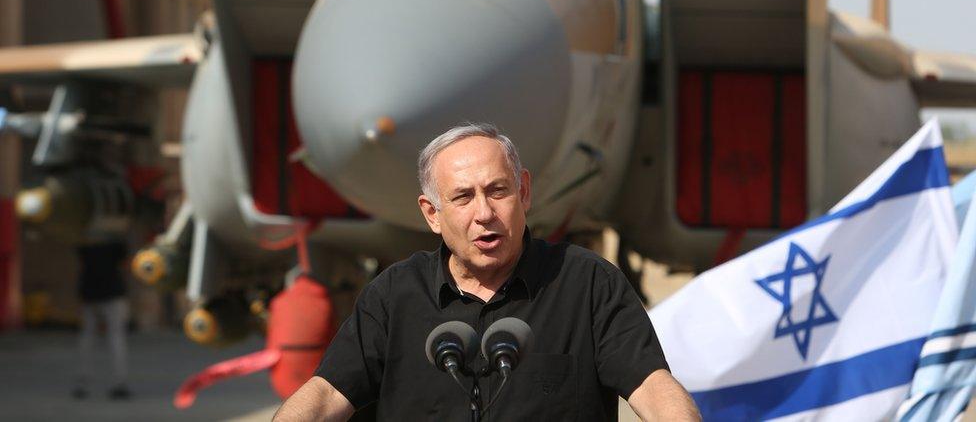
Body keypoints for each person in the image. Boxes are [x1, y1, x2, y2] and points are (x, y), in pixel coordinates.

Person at [275, 123, 700, 421]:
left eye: (498, 191)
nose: (484, 214)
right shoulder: (393, 295)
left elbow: (652, 386)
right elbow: (328, 393)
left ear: (525, 192)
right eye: (462, 197)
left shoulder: (588, 283)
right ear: (432, 214)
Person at [72, 238, 131, 400]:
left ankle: (82, 383)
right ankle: (119, 382)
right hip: (112, 291)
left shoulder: (85, 235)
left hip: (90, 291)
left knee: (87, 337)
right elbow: (124, 263)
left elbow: (81, 262)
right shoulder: (114, 235)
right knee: (115, 337)